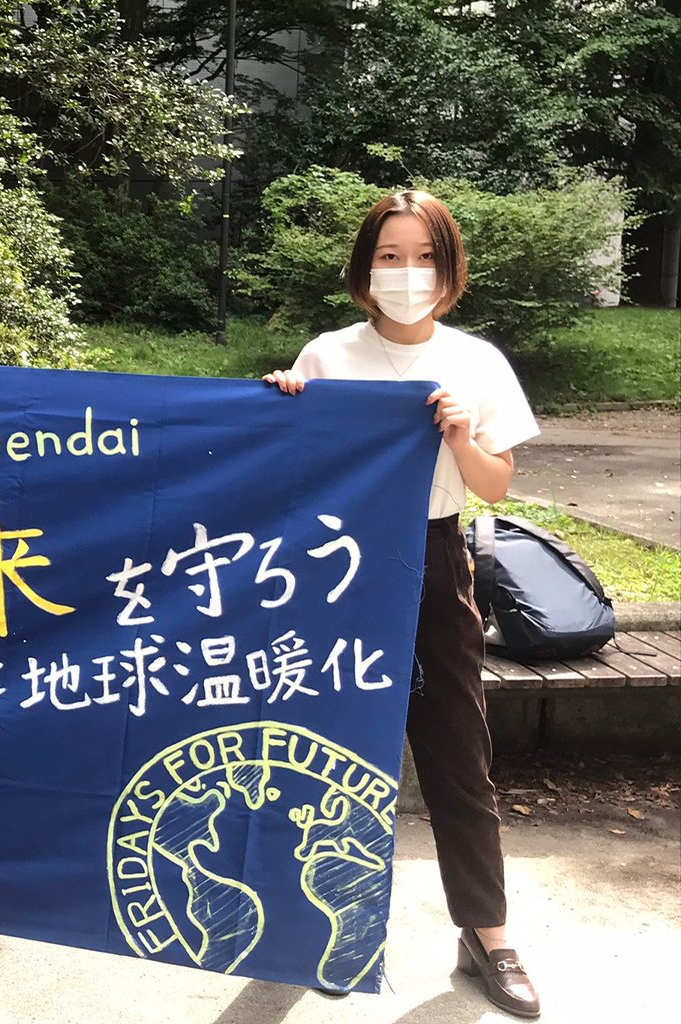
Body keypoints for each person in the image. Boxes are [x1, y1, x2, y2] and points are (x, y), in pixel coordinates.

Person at [263, 190, 542, 1018]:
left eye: (424, 256)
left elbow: (495, 483)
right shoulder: (328, 353)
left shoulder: (477, 361)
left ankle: (488, 933)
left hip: (433, 557)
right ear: (364, 267)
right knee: (333, 752)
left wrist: (461, 437)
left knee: (458, 750)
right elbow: (286, 468)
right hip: (336, 571)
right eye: (390, 256)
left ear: (449, 269)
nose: (407, 273)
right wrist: (275, 404)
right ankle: (333, 929)